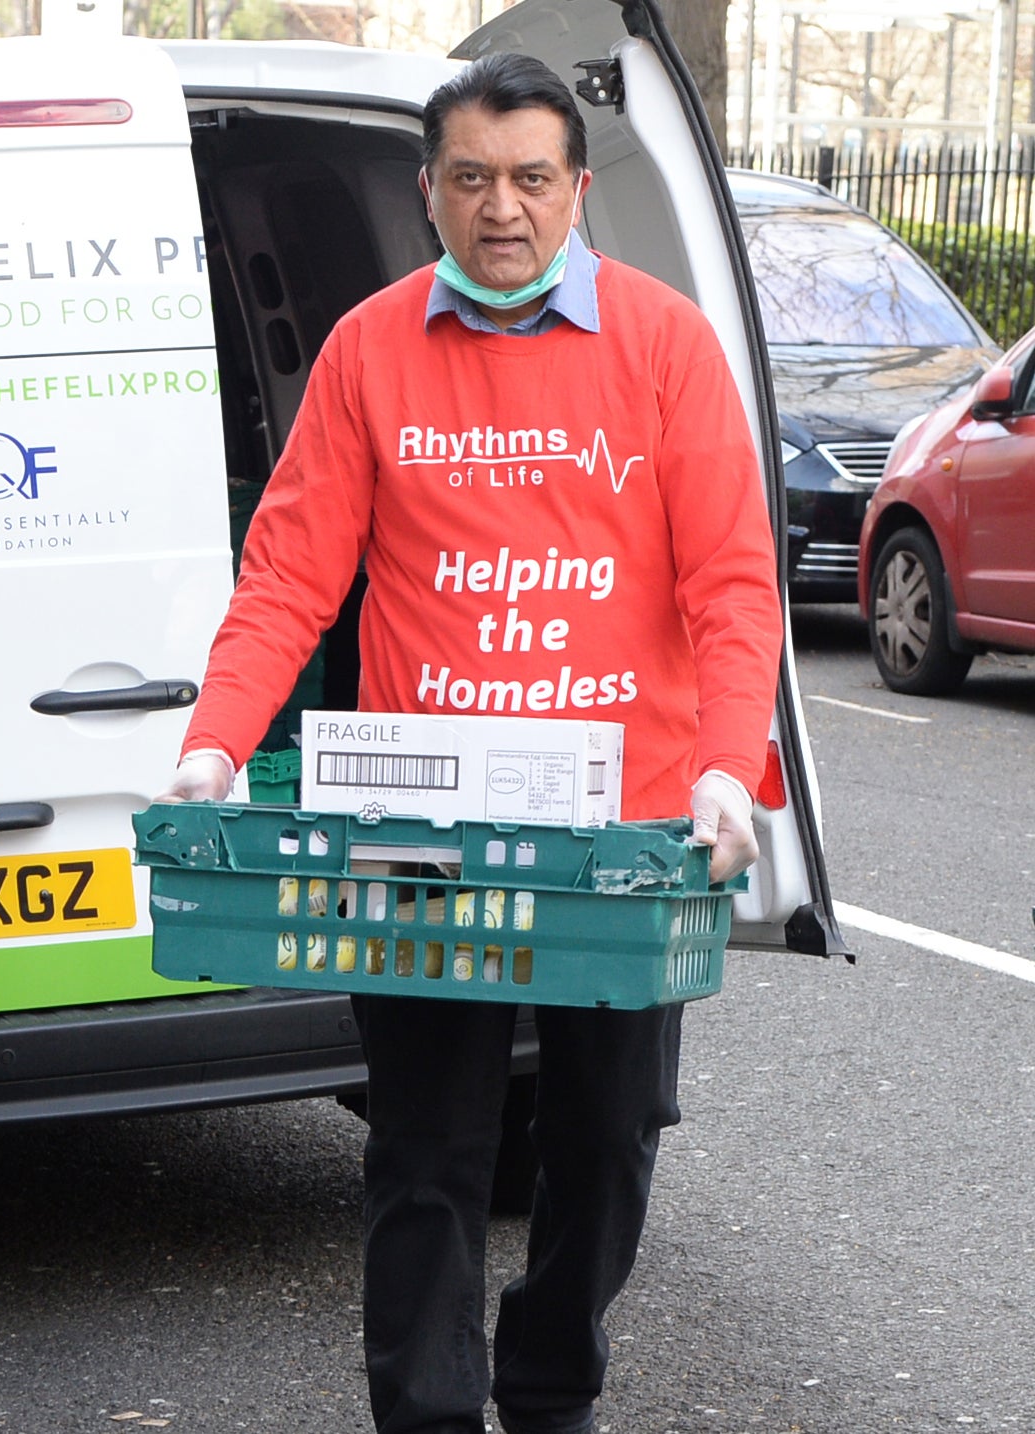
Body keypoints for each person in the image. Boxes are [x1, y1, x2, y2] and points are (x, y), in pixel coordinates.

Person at [157, 54, 783, 1434]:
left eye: (532, 179)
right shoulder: (372, 347)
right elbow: (289, 577)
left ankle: (552, 1376)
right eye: (473, 178)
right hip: (424, 829)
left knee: (608, 1141)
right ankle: (429, 1412)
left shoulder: (666, 344)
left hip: (623, 838)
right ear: (425, 189)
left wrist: (730, 766)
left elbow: (734, 589)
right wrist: (217, 744)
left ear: (577, 191)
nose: (503, 207)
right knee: (428, 1148)